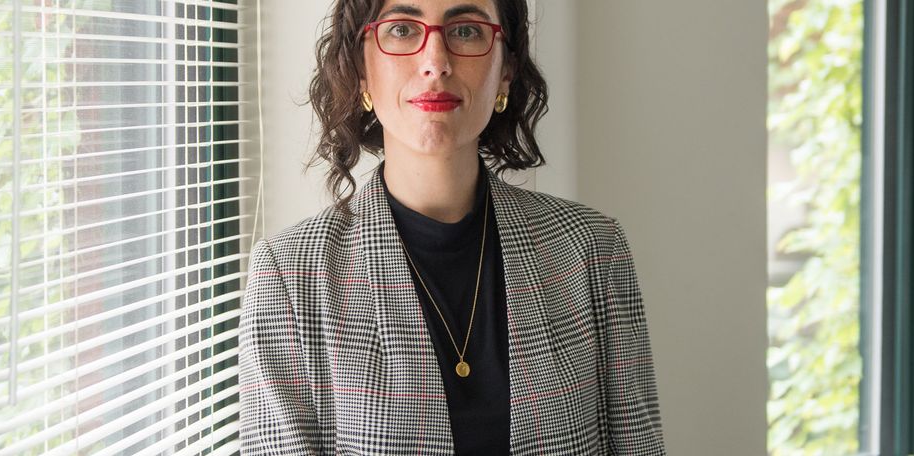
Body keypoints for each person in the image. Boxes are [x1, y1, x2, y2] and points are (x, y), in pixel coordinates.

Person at [237, 0, 666, 454]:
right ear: (362, 71)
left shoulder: (591, 248)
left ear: (506, 72)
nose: (435, 62)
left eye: (466, 31)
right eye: (402, 29)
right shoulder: (289, 274)